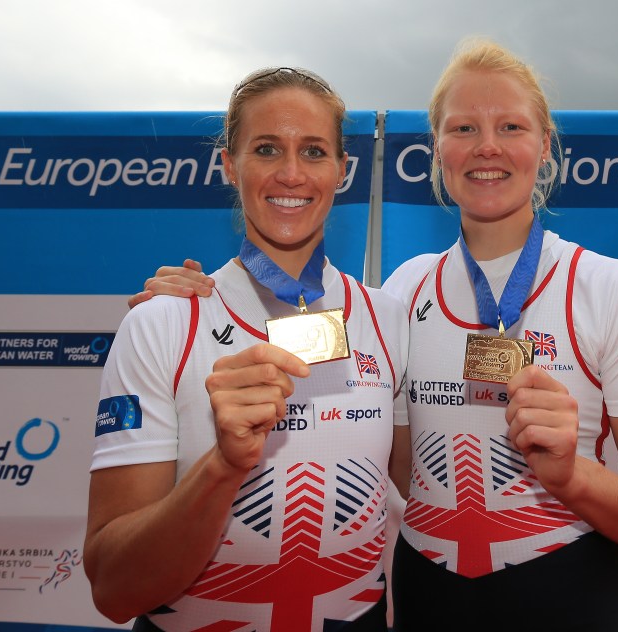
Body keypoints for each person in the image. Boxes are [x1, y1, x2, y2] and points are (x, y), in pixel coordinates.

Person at [133, 39, 618, 631]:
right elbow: (396, 464)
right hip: (431, 602)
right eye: (462, 128)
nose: (487, 146)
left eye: (510, 125)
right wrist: (186, 305)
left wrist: (573, 476)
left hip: (572, 598)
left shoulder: (611, 287)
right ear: (437, 150)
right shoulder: (403, 293)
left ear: (544, 145)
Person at [84, 66, 408, 632]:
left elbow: (423, 497)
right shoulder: (162, 324)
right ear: (230, 165)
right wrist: (223, 467)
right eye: (266, 148)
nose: (290, 173)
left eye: (313, 151)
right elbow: (114, 588)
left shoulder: (387, 318)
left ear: (341, 171)